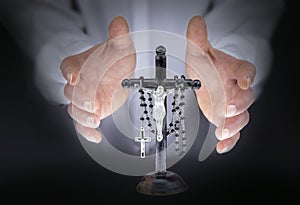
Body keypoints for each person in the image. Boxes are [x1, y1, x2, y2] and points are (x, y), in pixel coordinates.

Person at [0, 0, 284, 154]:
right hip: (63, 141)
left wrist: (226, 55)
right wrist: (74, 59)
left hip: (209, 140)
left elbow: (253, 5)